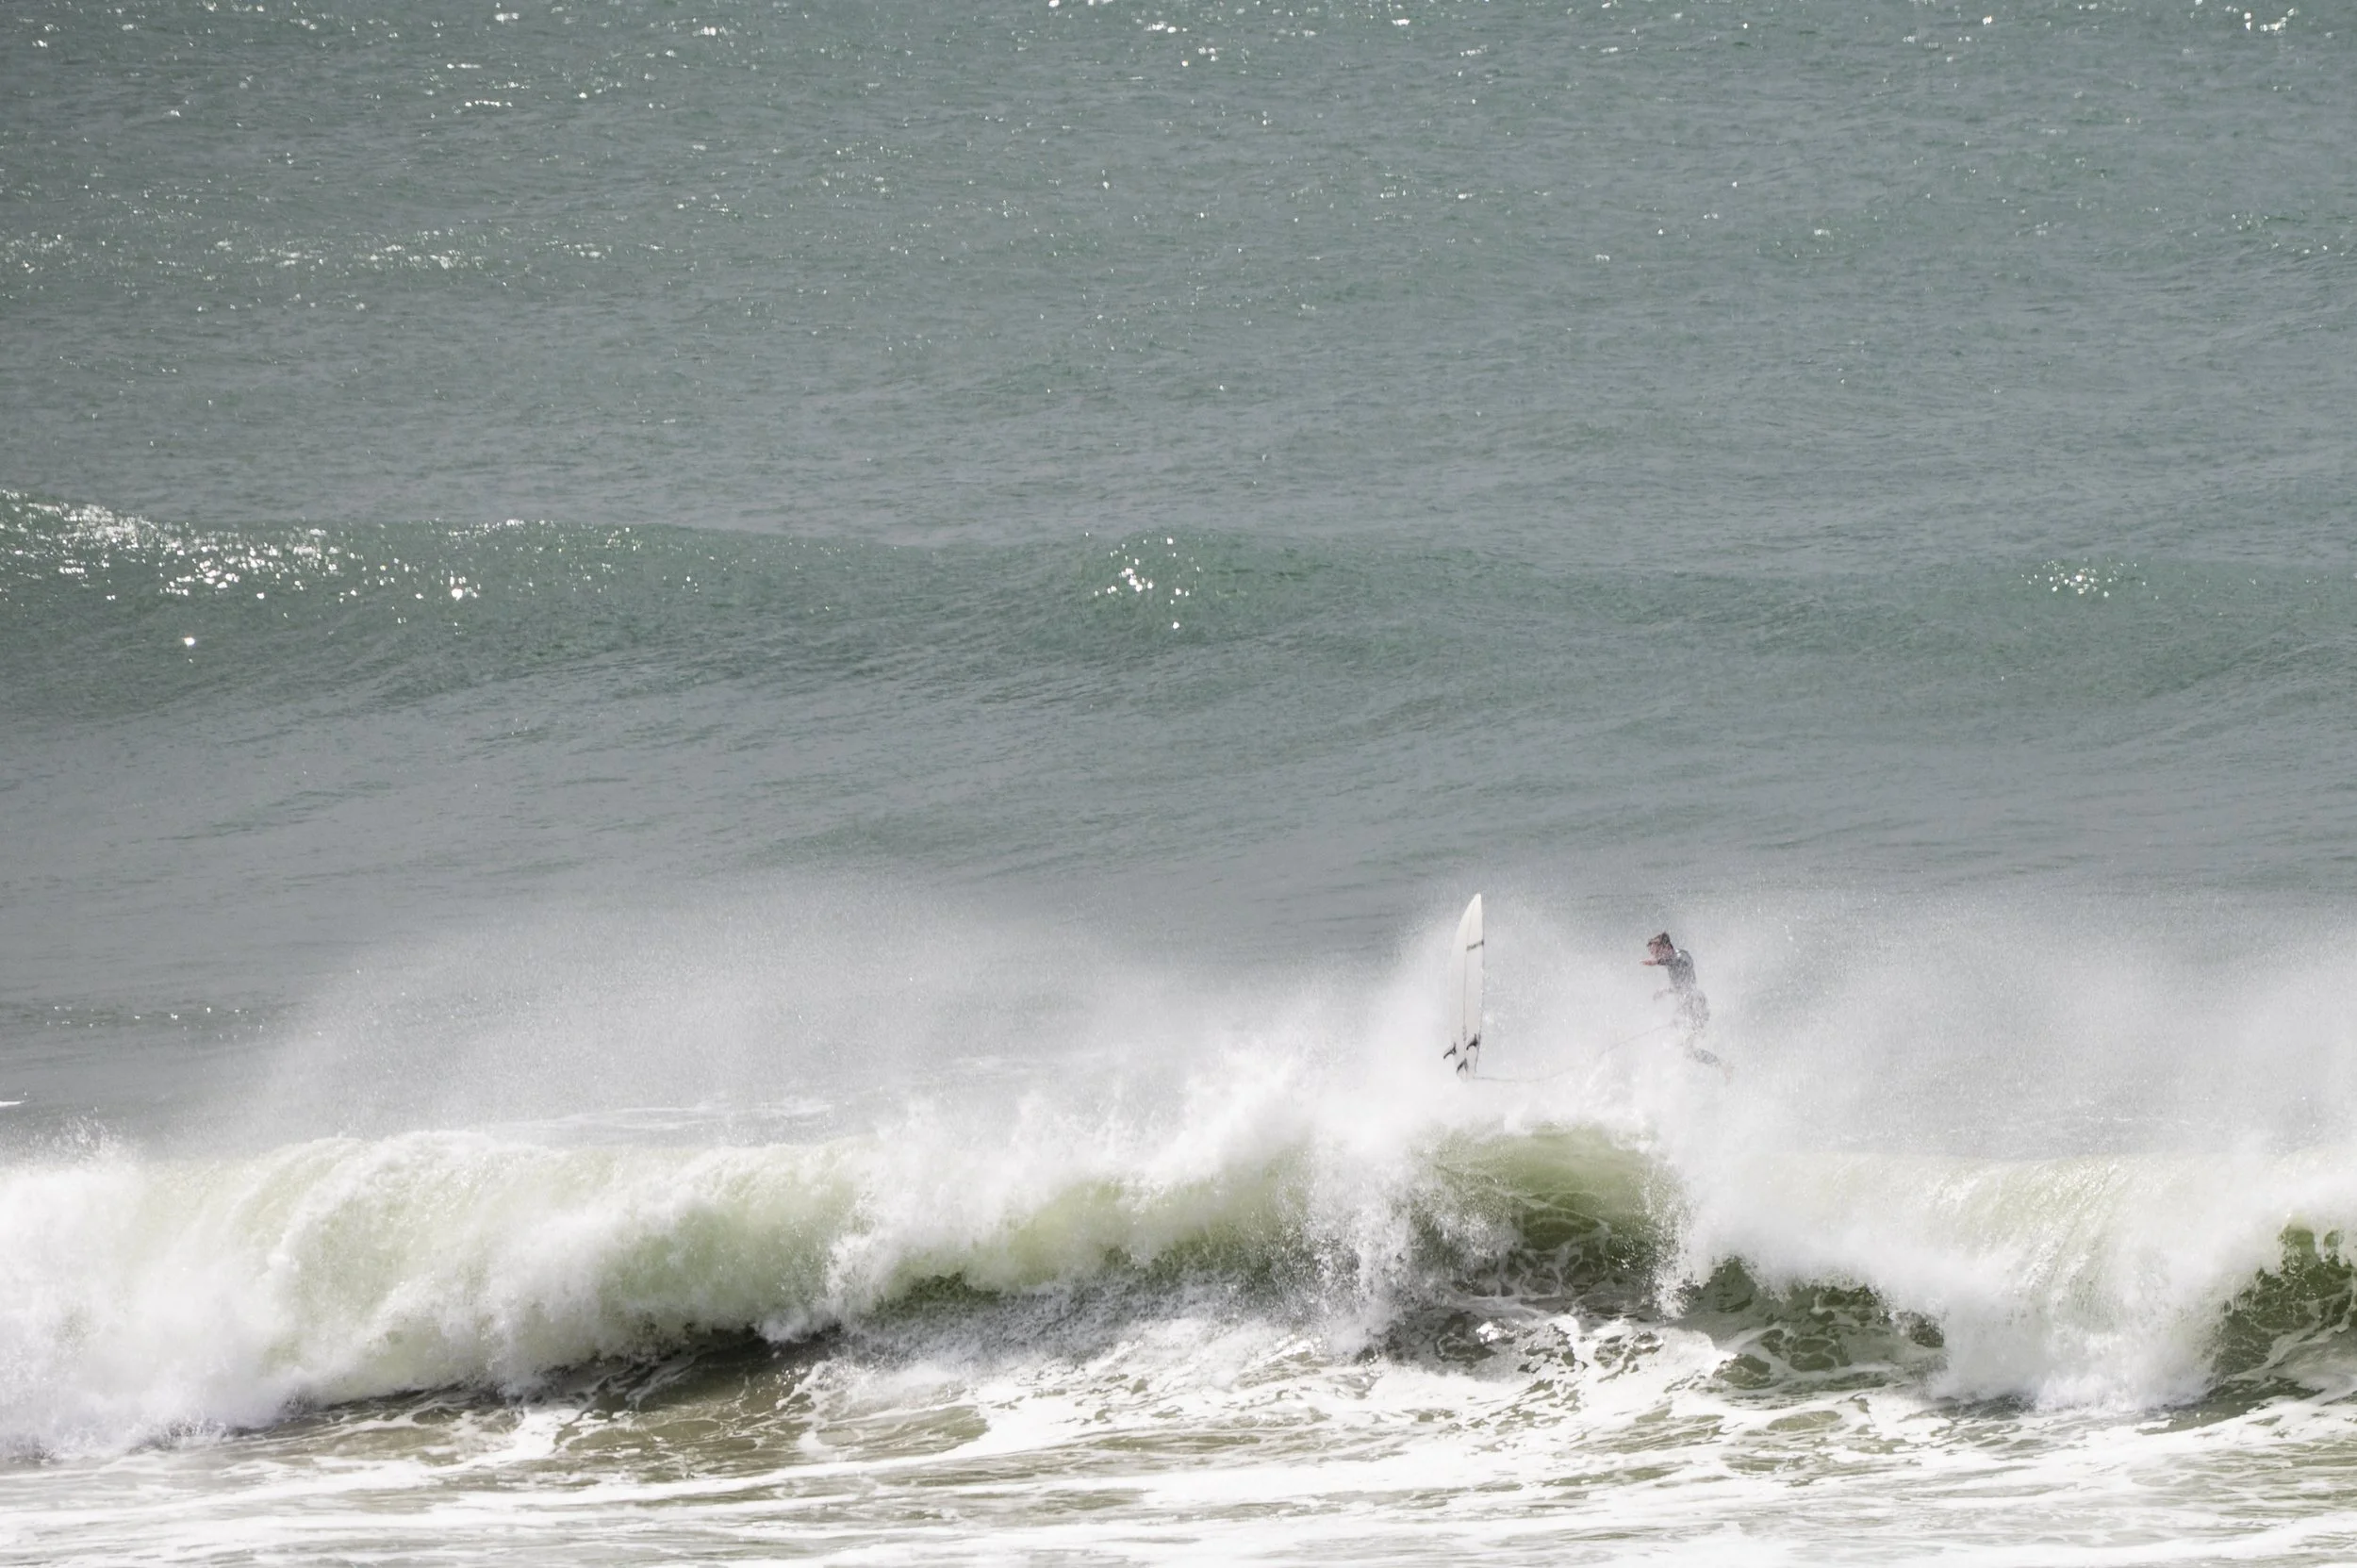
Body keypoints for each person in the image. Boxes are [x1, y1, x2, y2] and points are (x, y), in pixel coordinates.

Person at [1642, 932, 1725, 1071]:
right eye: (1654, 954)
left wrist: (1658, 962)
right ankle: (1719, 1065)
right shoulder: (1672, 962)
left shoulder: (1681, 956)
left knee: (1688, 1051)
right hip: (1689, 1007)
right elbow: (1680, 987)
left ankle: (1723, 1065)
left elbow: (1679, 962)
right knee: (1681, 1046)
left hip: (1696, 1007)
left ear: (1667, 947)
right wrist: (1666, 992)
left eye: (1657, 952)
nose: (1656, 956)